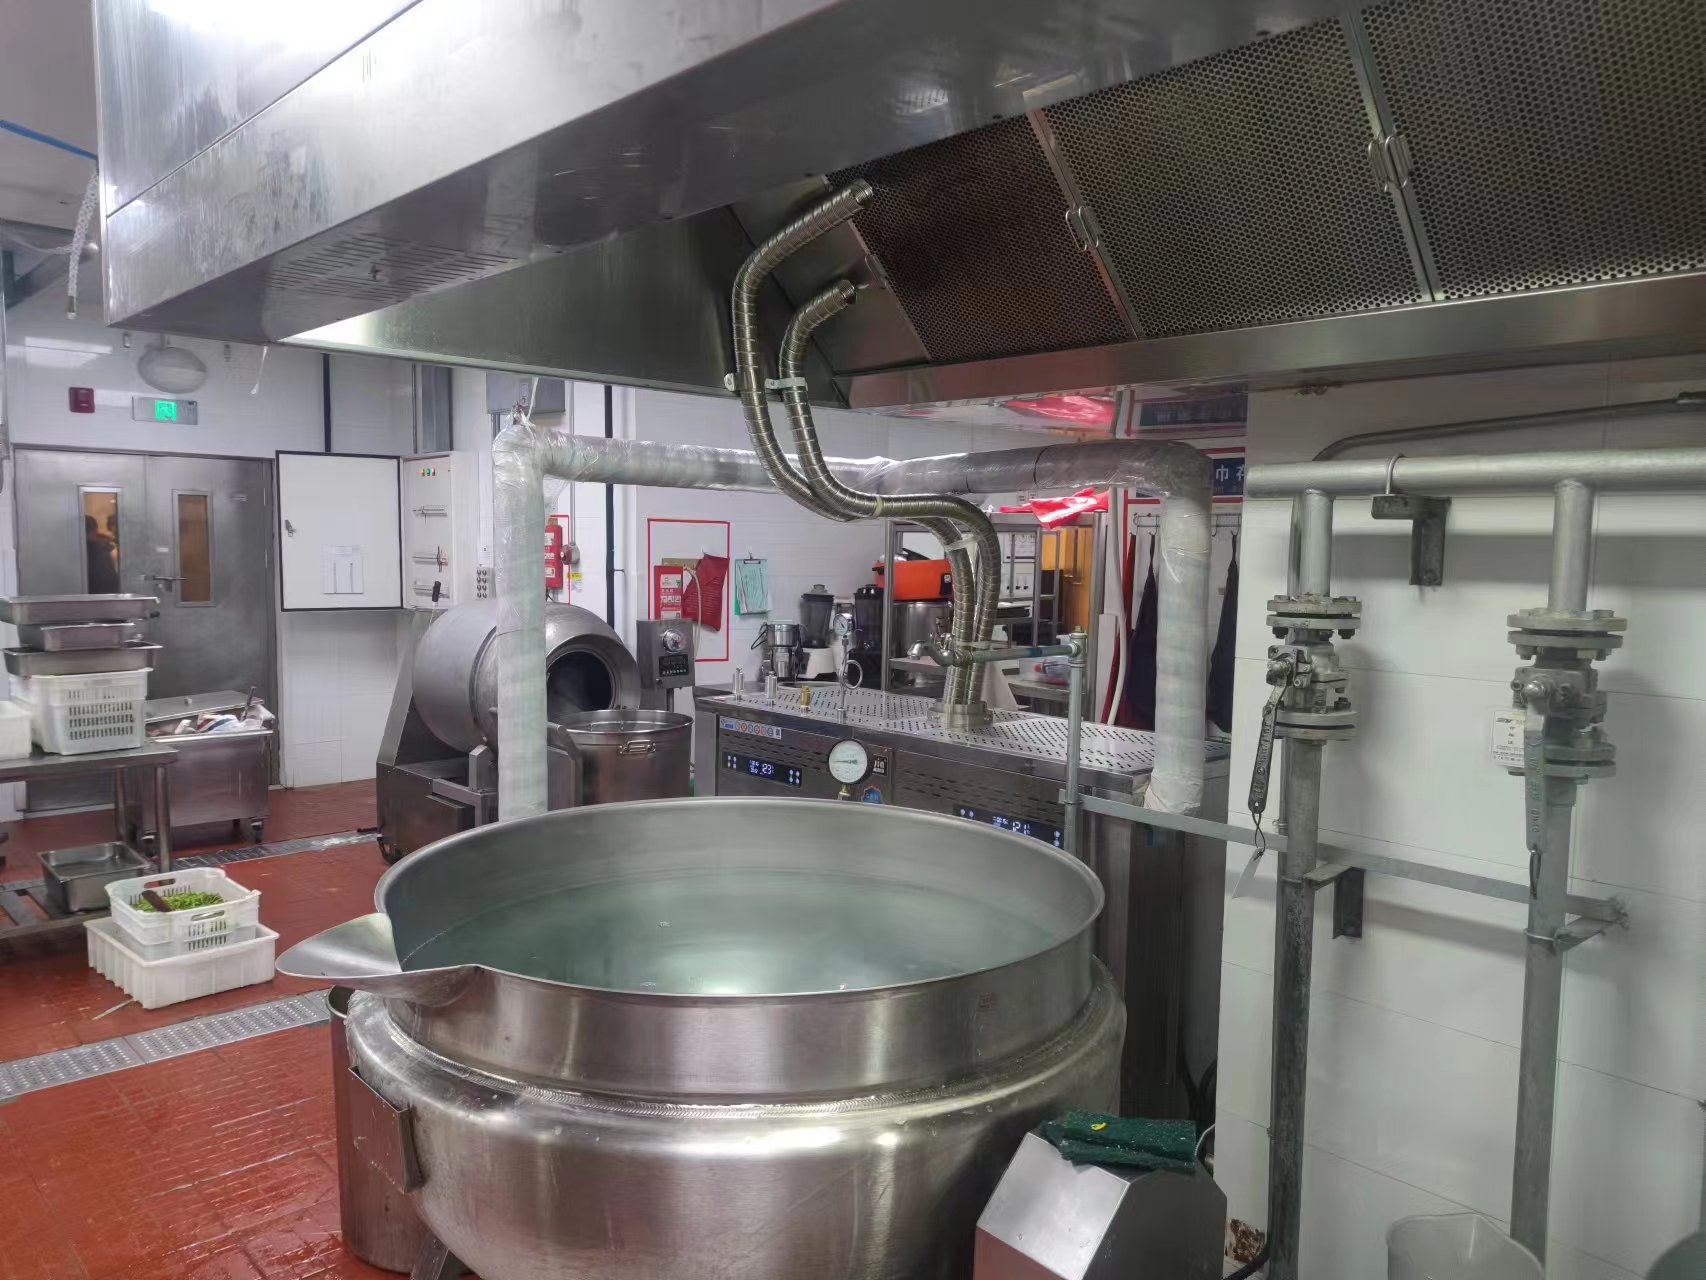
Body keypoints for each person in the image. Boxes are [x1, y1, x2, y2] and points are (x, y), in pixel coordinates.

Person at [85, 515, 120, 593]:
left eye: (114, 525)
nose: (114, 528)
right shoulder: (103, 549)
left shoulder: (104, 548)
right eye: (112, 524)